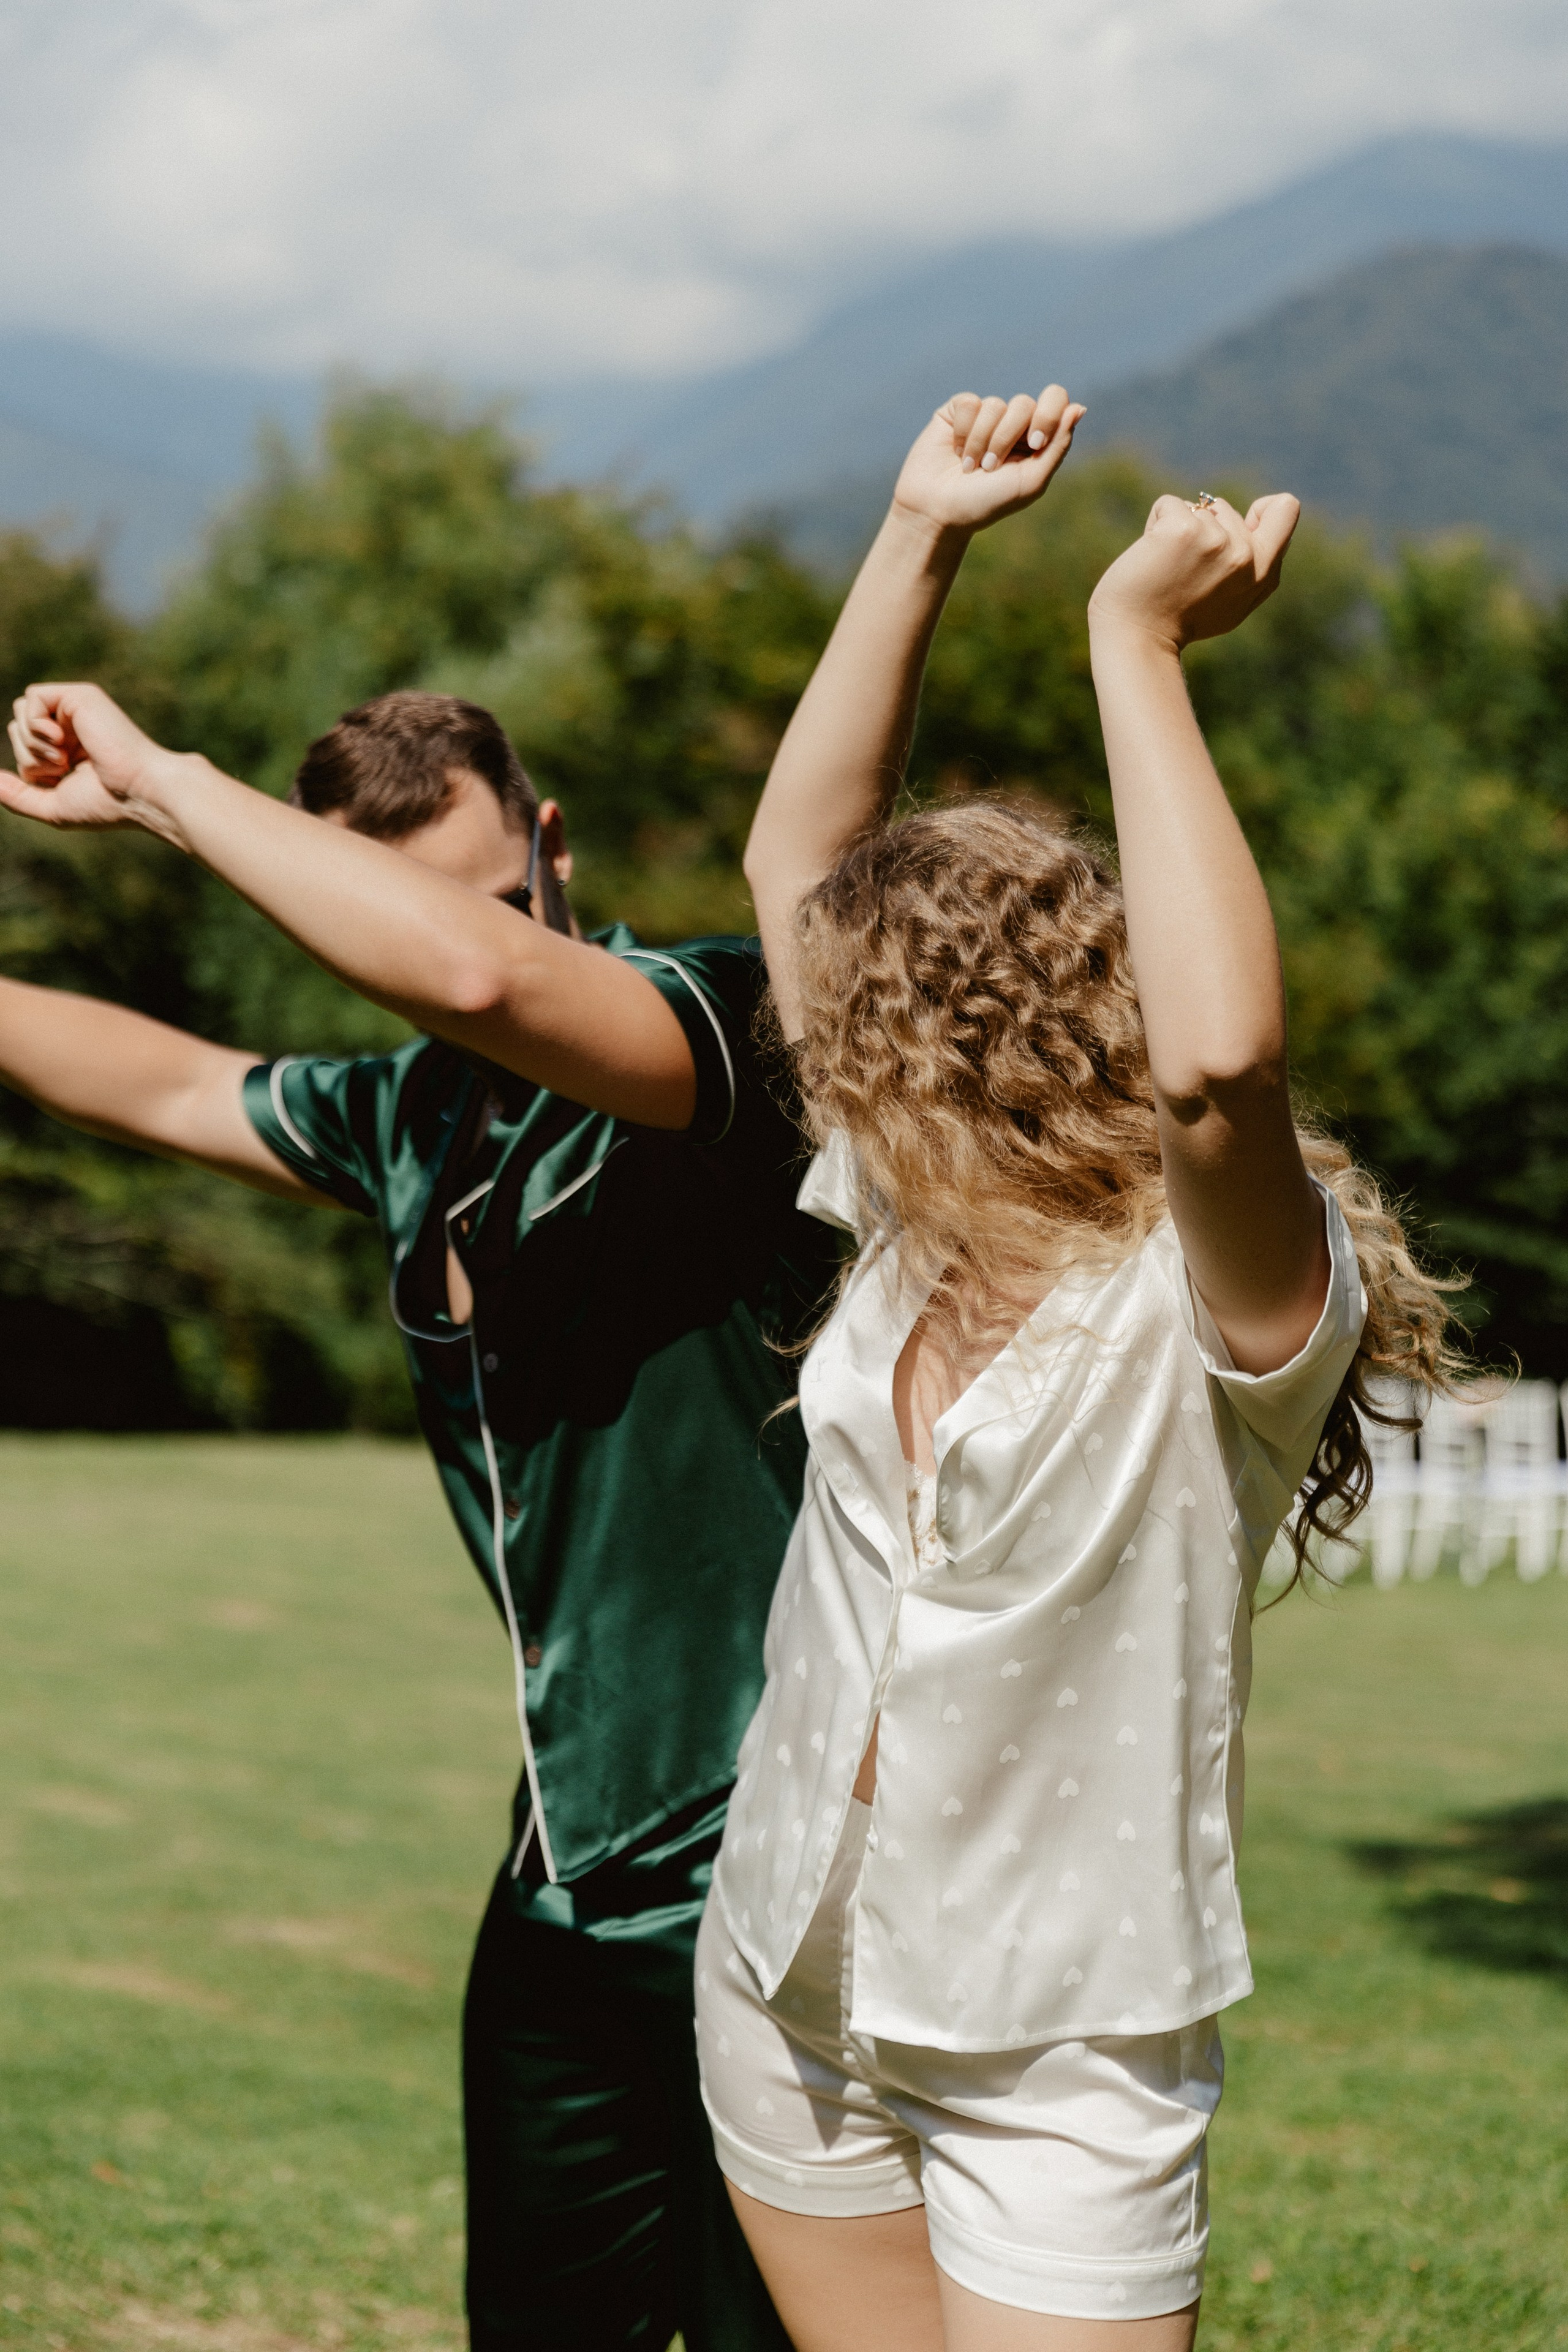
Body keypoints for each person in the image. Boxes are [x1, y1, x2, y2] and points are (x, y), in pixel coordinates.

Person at [1, 379, 1087, 2351]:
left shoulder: (718, 1037)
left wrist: (165, 782)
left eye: (479, 895)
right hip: (573, 1892)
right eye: (383, 921)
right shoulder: (414, 1116)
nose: (441, 957)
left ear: (552, 849)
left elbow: (494, 978)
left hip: (799, 1904)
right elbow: (164, 1075)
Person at [693, 478, 1460, 2349]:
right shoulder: (902, 1206)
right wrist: (919, 532)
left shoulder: (1219, 1297)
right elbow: (799, 846)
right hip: (787, 1959)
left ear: (927, 1042)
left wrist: (1139, 640)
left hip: (1060, 2045)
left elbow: (1220, 1064)